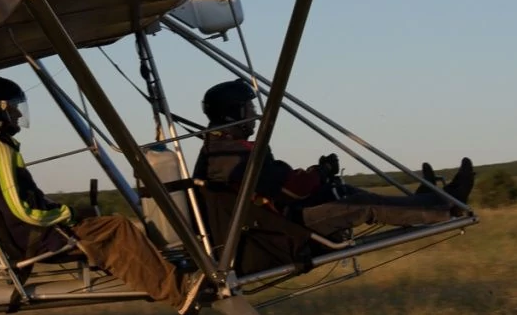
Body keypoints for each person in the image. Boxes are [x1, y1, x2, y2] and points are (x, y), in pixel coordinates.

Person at [0, 76, 203, 313]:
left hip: (39, 235)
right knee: (118, 228)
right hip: (42, 238)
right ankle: (179, 291)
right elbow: (19, 209)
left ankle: (168, 280)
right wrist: (66, 213)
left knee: (110, 226)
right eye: (14, 108)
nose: (18, 115)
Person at [192, 79, 475, 239]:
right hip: (282, 228)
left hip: (275, 220)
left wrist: (322, 177)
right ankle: (448, 208)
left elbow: (281, 183)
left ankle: (427, 200)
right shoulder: (231, 157)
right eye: (248, 107)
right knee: (360, 205)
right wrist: (320, 171)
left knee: (345, 191)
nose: (254, 112)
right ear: (234, 113)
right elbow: (291, 188)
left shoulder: (221, 151)